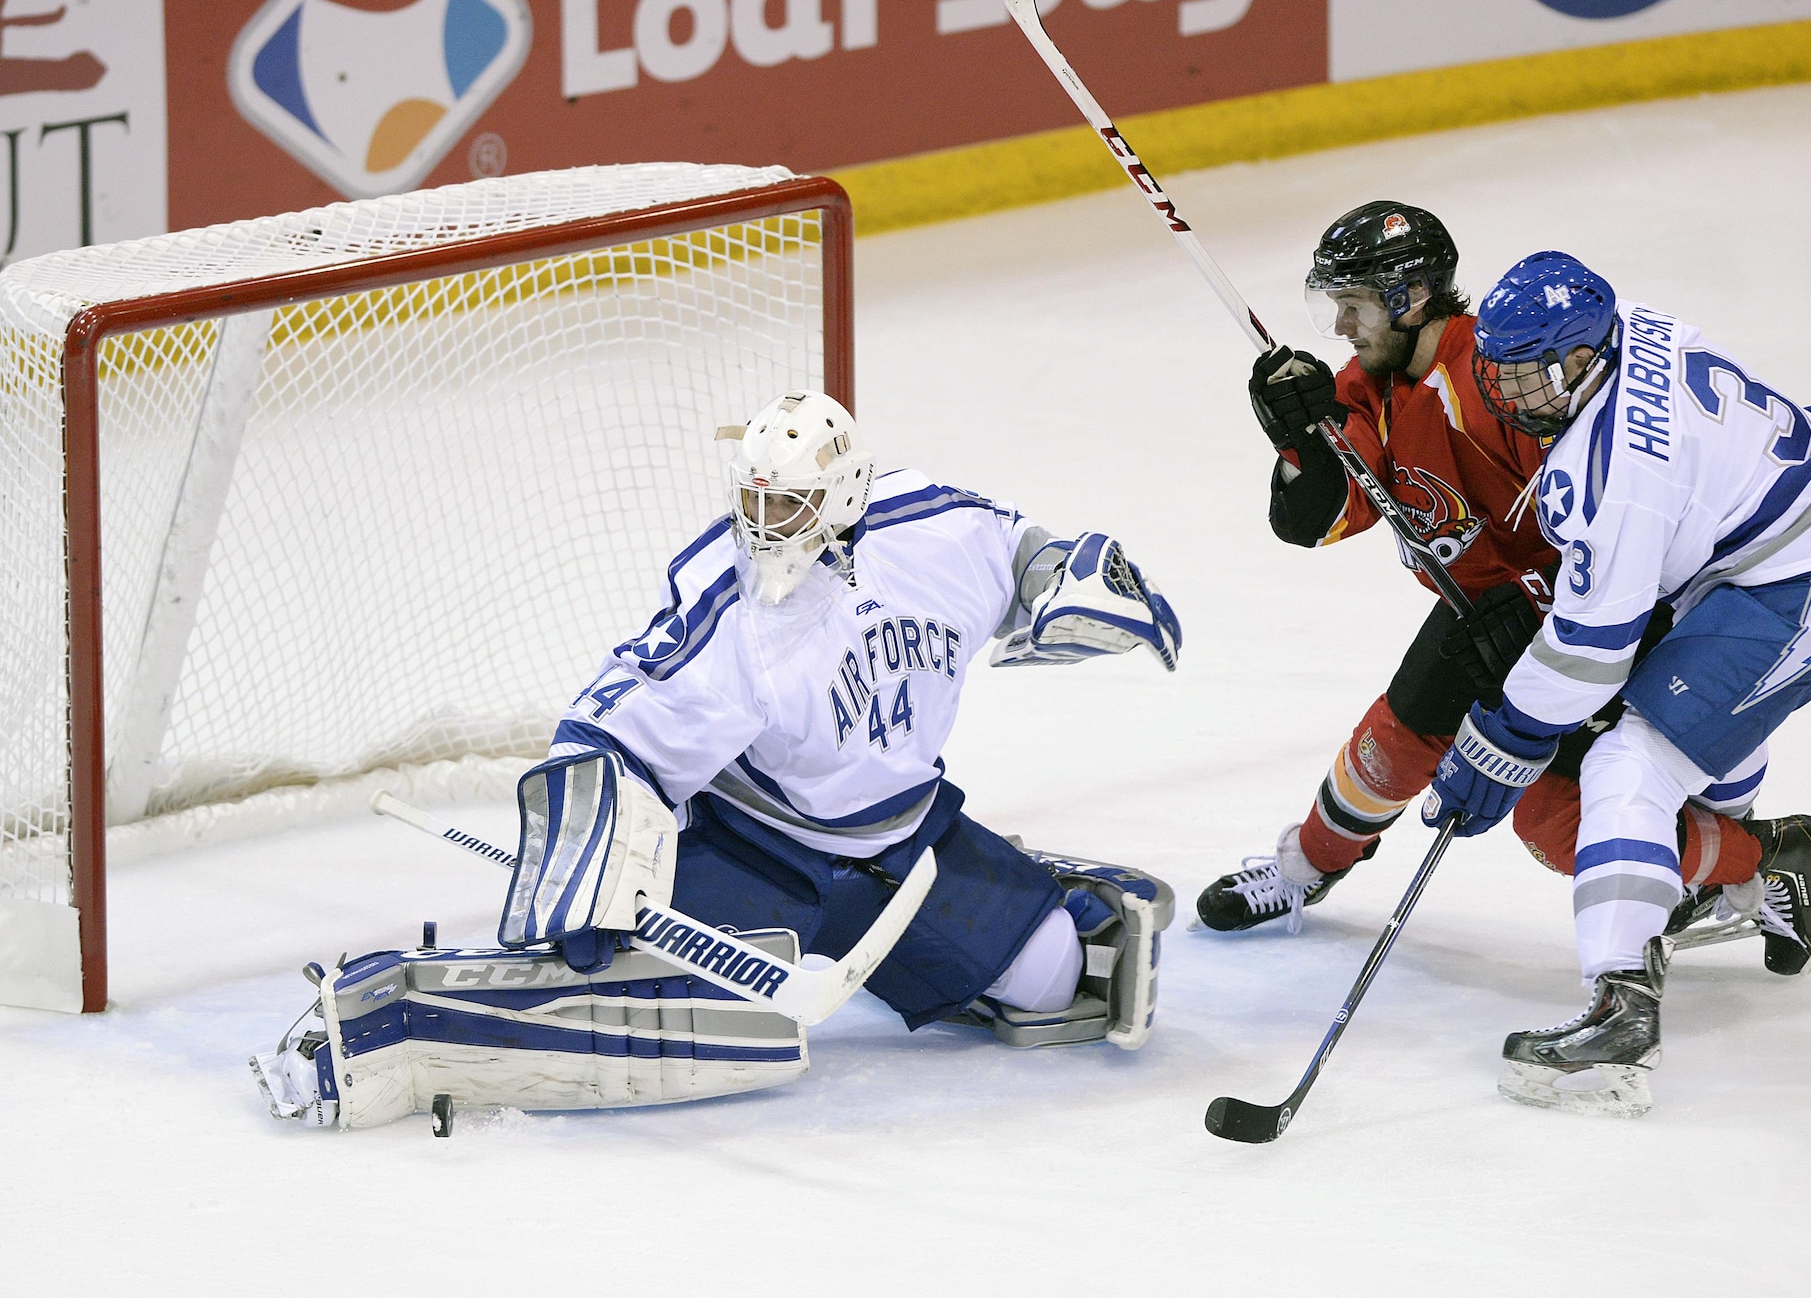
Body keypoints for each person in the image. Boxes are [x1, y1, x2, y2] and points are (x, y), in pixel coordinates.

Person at [252, 390, 1181, 1130]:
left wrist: (1066, 573)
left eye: (790, 503)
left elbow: (1018, 545)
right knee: (611, 984)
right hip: (753, 852)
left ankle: (1010, 900)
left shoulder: (930, 533)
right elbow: (609, 727)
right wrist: (593, 861)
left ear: (845, 497)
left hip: (907, 845)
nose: (765, 522)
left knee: (1058, 979)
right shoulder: (729, 607)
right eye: (755, 498)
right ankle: (411, 1018)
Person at [1193, 202, 1794, 941]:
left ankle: (1769, 860)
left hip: (1588, 625)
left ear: (1408, 298)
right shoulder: (1368, 385)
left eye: (1352, 307)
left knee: (1555, 823)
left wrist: (1537, 603)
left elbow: (1618, 532)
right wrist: (1297, 442)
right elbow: (1312, 520)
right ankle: (1304, 867)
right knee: (1391, 743)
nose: (1343, 327)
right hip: (1481, 612)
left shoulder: (1506, 382)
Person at [1425, 251, 1811, 1116]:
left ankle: (1621, 1014)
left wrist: (1497, 739)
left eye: (1527, 375)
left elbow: (1589, 646)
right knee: (1677, 721)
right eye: (1495, 368)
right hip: (1773, 553)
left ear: (1582, 359)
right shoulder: (1628, 326)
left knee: (1628, 766)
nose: (1505, 394)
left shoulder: (1616, 473)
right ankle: (1766, 867)